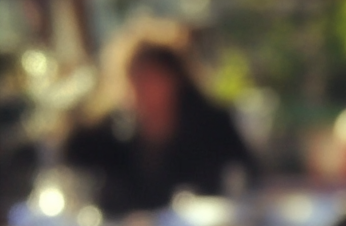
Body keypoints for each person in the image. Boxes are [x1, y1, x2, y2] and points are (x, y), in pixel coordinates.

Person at [65, 42, 256, 214]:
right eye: (134, 78)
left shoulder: (212, 126)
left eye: (149, 78)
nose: (140, 88)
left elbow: (245, 179)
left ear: (174, 79)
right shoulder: (116, 132)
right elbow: (74, 162)